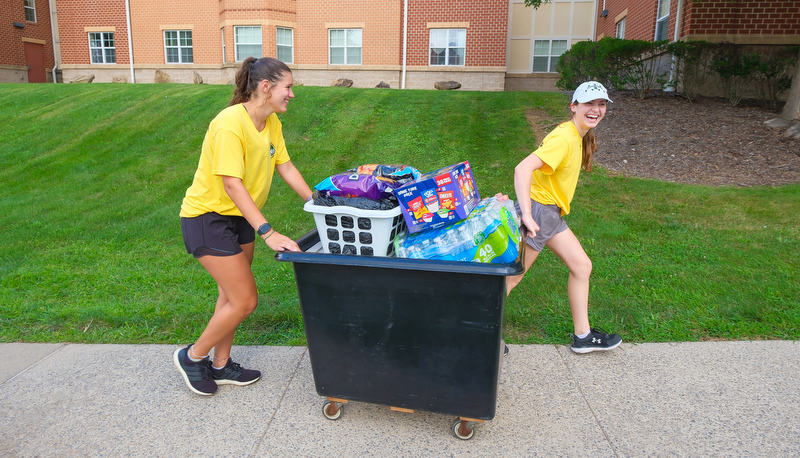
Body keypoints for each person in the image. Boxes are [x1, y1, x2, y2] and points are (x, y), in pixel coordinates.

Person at [174, 57, 313, 395]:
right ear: (266, 87)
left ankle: (220, 366)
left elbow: (287, 168)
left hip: (239, 218)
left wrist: (320, 203)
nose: (292, 94)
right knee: (245, 300)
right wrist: (268, 231)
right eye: (288, 87)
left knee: (230, 296)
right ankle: (192, 357)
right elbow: (232, 184)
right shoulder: (229, 123)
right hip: (207, 218)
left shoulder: (271, 123)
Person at [507, 81, 622, 354]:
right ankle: (473, 336)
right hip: (538, 213)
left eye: (601, 104)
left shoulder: (578, 134)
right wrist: (527, 215)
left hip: (550, 213)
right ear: (574, 107)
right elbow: (522, 169)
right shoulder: (564, 138)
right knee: (510, 279)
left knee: (582, 267)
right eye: (589, 104)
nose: (596, 110)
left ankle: (583, 336)